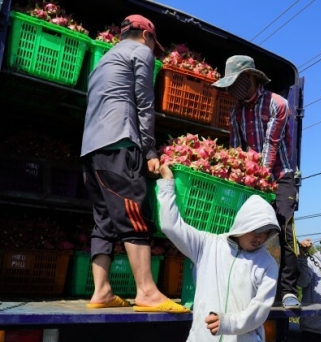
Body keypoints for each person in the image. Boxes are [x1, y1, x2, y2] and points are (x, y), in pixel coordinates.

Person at [80, 14, 187, 312]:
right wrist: (150, 151)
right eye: (154, 45)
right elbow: (144, 101)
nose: (153, 52)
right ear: (146, 36)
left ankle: (101, 292)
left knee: (103, 222)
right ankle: (147, 292)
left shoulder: (103, 60)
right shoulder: (140, 52)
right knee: (135, 215)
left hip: (91, 151)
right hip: (119, 145)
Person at [212, 55, 300, 309]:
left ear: (251, 77)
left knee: (283, 227)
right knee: (243, 231)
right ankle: (244, 286)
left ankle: (287, 291)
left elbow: (270, 146)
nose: (234, 89)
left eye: (238, 82)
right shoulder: (235, 113)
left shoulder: (277, 104)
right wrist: (238, 177)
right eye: (230, 84)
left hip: (279, 175)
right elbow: (236, 150)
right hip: (252, 179)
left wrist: (260, 178)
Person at [157, 163, 281, 342]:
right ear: (243, 223)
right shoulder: (207, 245)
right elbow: (171, 226)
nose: (259, 238)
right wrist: (167, 184)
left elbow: (260, 310)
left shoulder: (267, 264)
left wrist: (229, 323)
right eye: (255, 230)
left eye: (266, 233)